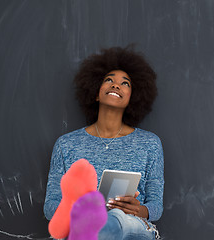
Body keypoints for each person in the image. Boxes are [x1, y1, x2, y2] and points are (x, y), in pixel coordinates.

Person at [43, 45, 164, 240]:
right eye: (109, 80)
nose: (116, 85)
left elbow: (156, 205)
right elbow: (51, 207)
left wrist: (141, 210)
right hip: (82, 225)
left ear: (133, 98)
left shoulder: (150, 144)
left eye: (125, 83)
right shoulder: (66, 145)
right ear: (95, 93)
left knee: (118, 219)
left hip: (132, 227)